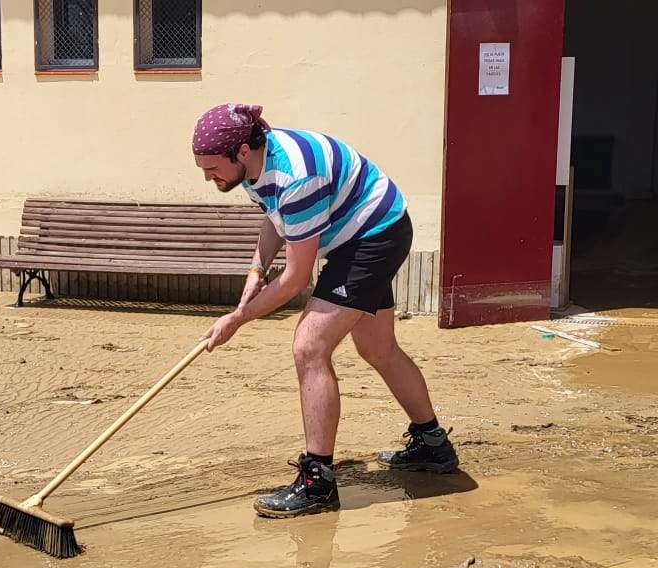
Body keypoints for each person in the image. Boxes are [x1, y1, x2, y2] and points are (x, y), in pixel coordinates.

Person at [191, 103, 459, 518]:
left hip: (373, 236)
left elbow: (297, 279)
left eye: (211, 169)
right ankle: (433, 446)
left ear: (243, 151)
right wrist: (256, 269)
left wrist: (238, 318)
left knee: (309, 347)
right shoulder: (252, 165)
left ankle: (317, 482)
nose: (209, 178)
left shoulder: (299, 177)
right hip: (366, 232)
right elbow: (273, 217)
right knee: (378, 349)